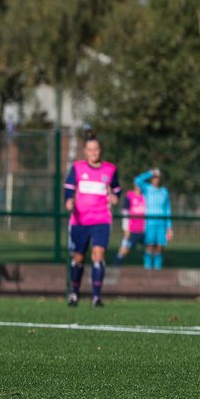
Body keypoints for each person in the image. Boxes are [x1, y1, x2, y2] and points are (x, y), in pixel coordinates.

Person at [64, 131, 120, 307]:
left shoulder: (110, 170)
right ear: (85, 151)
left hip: (101, 219)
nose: (93, 152)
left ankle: (96, 296)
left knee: (98, 255)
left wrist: (115, 197)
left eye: (96, 149)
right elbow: (68, 189)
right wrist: (69, 200)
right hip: (80, 221)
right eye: (90, 149)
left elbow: (117, 190)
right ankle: (74, 293)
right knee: (78, 258)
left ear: (100, 150)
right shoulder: (77, 168)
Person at [134, 168, 172, 269]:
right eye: (154, 178)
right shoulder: (147, 189)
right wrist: (150, 173)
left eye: (157, 178)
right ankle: (147, 268)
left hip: (161, 223)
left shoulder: (164, 191)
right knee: (150, 245)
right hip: (150, 223)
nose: (156, 180)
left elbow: (167, 209)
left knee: (159, 247)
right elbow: (137, 180)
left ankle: (157, 269)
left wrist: (169, 227)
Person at [115, 181, 146, 265]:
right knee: (124, 250)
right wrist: (126, 228)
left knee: (150, 250)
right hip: (132, 230)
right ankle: (115, 267)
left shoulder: (145, 196)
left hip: (144, 230)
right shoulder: (130, 195)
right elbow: (125, 212)